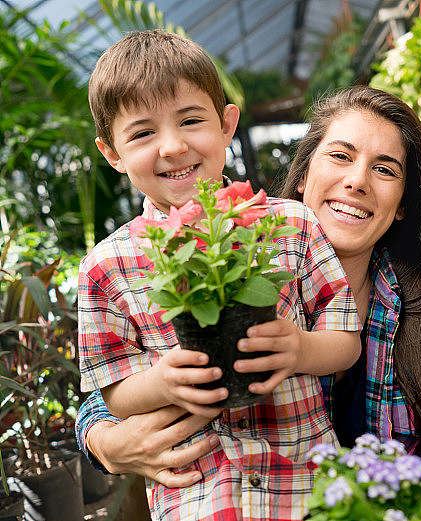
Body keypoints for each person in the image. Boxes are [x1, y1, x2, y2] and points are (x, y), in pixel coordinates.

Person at [76, 85, 421, 521]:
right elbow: (112, 389)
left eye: (385, 170)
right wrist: (102, 441)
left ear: (402, 203)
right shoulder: (241, 272)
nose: (357, 181)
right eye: (340, 156)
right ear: (304, 174)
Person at [78, 30, 361, 520]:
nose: (173, 146)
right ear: (112, 154)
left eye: (191, 120)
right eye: (142, 133)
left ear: (227, 124)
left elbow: (346, 341)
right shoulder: (106, 266)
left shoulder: (290, 223)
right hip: (200, 494)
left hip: (308, 485)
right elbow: (113, 393)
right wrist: (162, 384)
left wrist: (299, 348)